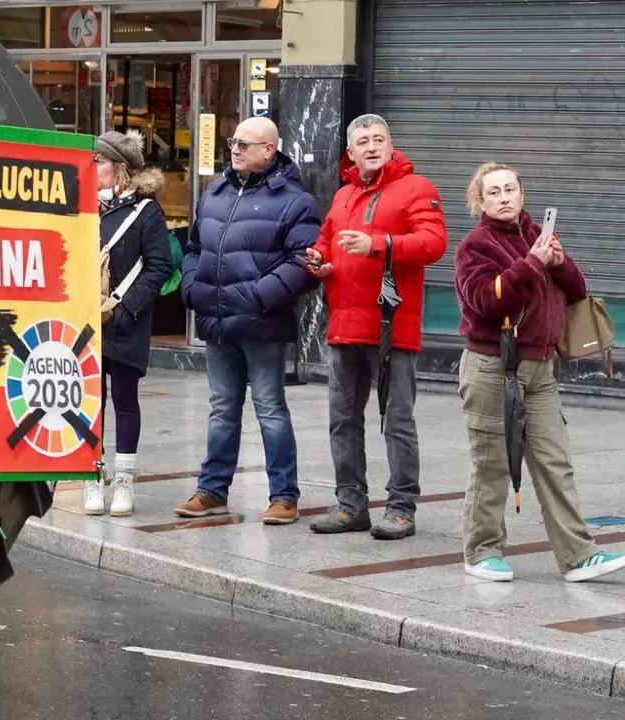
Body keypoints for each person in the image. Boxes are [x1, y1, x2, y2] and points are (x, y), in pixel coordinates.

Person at [453, 161, 625, 582]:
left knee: (555, 462)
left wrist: (559, 261)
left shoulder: (538, 236)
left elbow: (577, 291)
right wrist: (531, 263)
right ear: (480, 201)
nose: (504, 197)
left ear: (522, 194)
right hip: (494, 368)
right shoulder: (475, 245)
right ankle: (481, 552)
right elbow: (486, 301)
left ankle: (578, 555)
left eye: (510, 189)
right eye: (493, 192)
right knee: (492, 463)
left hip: (541, 368)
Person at [304, 113, 447, 540]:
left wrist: (379, 244)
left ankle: (401, 507)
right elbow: (327, 239)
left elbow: (433, 243)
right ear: (350, 153)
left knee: (397, 420)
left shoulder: (416, 188)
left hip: (391, 327)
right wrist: (318, 261)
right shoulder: (344, 194)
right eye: (363, 141)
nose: (371, 146)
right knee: (342, 421)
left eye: (379, 139)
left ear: (390, 145)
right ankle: (351, 505)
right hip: (345, 324)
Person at [175, 116, 322, 524]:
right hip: (217, 319)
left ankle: (284, 496)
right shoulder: (216, 191)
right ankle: (212, 490)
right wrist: (192, 288)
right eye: (232, 141)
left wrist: (257, 297)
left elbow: (304, 263)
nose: (234, 149)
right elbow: (193, 247)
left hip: (261, 323)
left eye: (244, 143)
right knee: (222, 407)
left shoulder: (296, 201)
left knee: (270, 407)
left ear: (268, 151)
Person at [82, 129, 172, 517]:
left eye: (98, 161)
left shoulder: (147, 211)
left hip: (125, 321)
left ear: (119, 168)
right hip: (85, 320)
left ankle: (124, 482)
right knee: (89, 401)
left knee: (124, 400)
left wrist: (125, 308)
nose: (92, 167)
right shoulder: (82, 206)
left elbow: (159, 266)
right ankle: (90, 474)